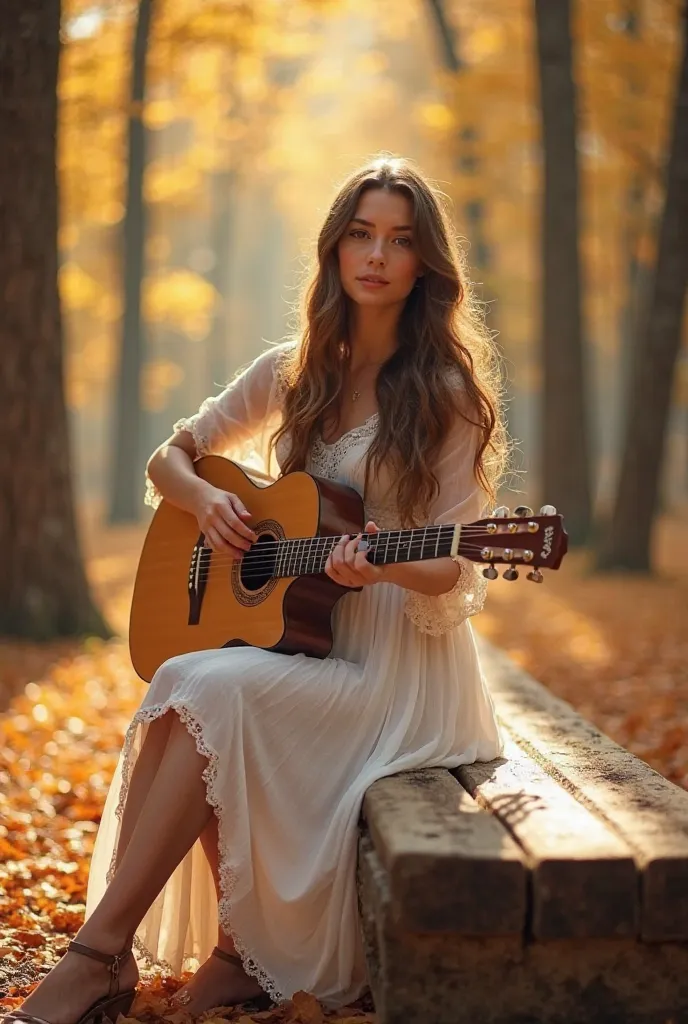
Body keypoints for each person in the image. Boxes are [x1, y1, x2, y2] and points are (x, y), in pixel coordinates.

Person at [5, 155, 508, 1024]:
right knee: (189, 680)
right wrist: (204, 501)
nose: (376, 256)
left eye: (397, 240)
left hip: (396, 670)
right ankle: (177, 953)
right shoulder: (297, 367)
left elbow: (453, 567)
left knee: (208, 687)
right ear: (335, 249)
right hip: (307, 640)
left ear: (425, 263)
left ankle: (105, 955)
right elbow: (173, 453)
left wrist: (381, 560)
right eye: (361, 234)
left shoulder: (448, 394)